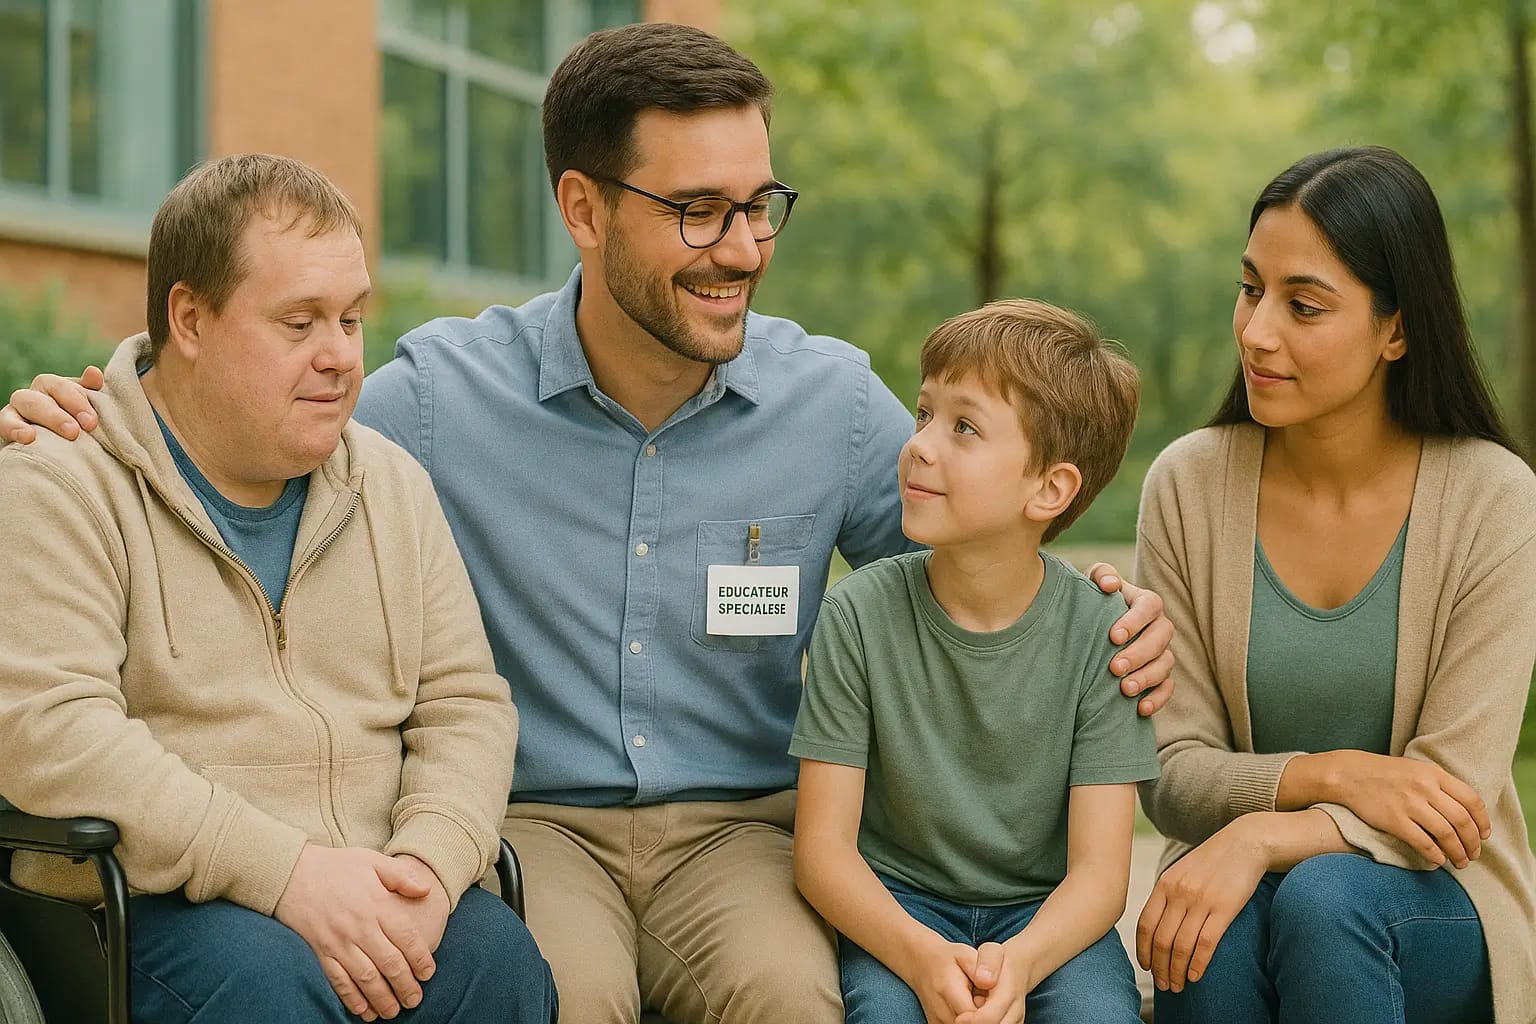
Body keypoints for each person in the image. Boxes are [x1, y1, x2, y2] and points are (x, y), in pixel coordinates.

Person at [0, 24, 1176, 1024]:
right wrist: (96, 397)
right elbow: (228, 407)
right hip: (540, 825)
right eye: (699, 212)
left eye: (761, 205)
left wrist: (1109, 615)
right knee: (558, 992)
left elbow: (989, 548)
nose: (746, 248)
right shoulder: (436, 403)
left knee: (794, 999)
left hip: (744, 834)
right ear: (583, 207)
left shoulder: (838, 411)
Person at [0, 154, 556, 1024]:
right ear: (190, 317)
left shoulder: (393, 487)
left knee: (498, 958)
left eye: (351, 318)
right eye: (299, 323)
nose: (338, 355)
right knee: (267, 986)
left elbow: (467, 706)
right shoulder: (60, 483)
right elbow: (53, 735)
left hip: (379, 882)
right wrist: (289, 875)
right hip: (157, 906)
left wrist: (428, 871)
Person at [1133, 146, 1536, 1024]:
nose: (1256, 331)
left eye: (1303, 306)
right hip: (1237, 892)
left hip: (1438, 900)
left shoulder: (1494, 499)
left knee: (1322, 901)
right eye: (1250, 290)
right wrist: (1338, 775)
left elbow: (1450, 804)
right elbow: (1170, 772)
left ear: (1397, 329)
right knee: (1217, 929)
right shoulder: (1188, 485)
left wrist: (1264, 829)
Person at [792, 300, 1157, 1024]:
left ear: (1049, 488)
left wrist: (1018, 964)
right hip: (896, 908)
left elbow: (1098, 877)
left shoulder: (1103, 636)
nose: (920, 444)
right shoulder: (857, 616)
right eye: (924, 413)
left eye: (963, 427)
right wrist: (924, 956)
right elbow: (823, 854)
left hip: (1047, 918)